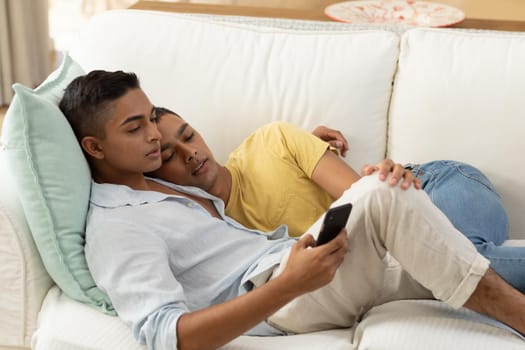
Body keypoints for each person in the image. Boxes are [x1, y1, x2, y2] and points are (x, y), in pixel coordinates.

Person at [60, 70, 525, 350]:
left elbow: (230, 172)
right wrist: (287, 285)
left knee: (468, 260)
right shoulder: (117, 226)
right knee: (382, 193)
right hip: (287, 289)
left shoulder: (165, 187)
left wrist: (310, 145)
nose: (156, 139)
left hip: (313, 260)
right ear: (94, 146)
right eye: (135, 128)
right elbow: (168, 336)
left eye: (154, 125)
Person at [149, 108, 524, 293]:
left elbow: (366, 202)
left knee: (452, 262)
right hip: (397, 252)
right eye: (168, 155)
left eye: (189, 136)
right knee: (447, 271)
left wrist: (307, 147)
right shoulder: (212, 230)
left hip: (434, 184)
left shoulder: (271, 142)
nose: (190, 153)